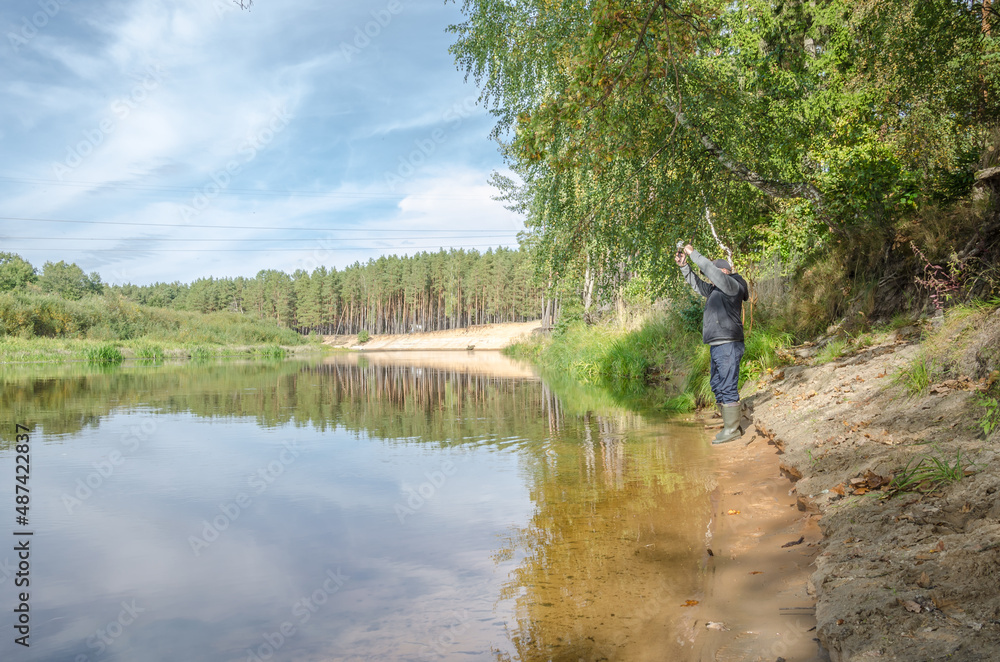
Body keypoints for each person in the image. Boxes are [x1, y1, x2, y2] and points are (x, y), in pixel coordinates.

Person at [675, 243, 749, 444]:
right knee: (717, 384)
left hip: (729, 344)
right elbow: (697, 283)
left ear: (723, 271)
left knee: (727, 385)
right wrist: (684, 266)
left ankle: (732, 430)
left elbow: (711, 271)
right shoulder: (716, 290)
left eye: (713, 274)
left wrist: (693, 253)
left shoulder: (733, 285)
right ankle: (729, 425)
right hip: (717, 345)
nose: (710, 278)